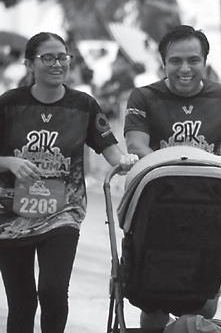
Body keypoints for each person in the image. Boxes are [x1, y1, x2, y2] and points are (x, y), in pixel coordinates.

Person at [0, 32, 138, 333]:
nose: (57, 64)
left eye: (62, 57)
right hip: (11, 214)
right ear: (29, 64)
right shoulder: (9, 104)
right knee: (21, 301)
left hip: (63, 211)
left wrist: (126, 161)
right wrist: (9, 162)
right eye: (47, 58)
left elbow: (112, 152)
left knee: (52, 290)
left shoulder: (83, 105)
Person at [124, 25, 221, 328]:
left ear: (205, 61)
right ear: (163, 63)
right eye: (175, 61)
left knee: (204, 305)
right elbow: (136, 145)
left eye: (193, 60)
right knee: (153, 304)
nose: (185, 68)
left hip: (207, 211)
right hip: (157, 207)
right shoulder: (143, 97)